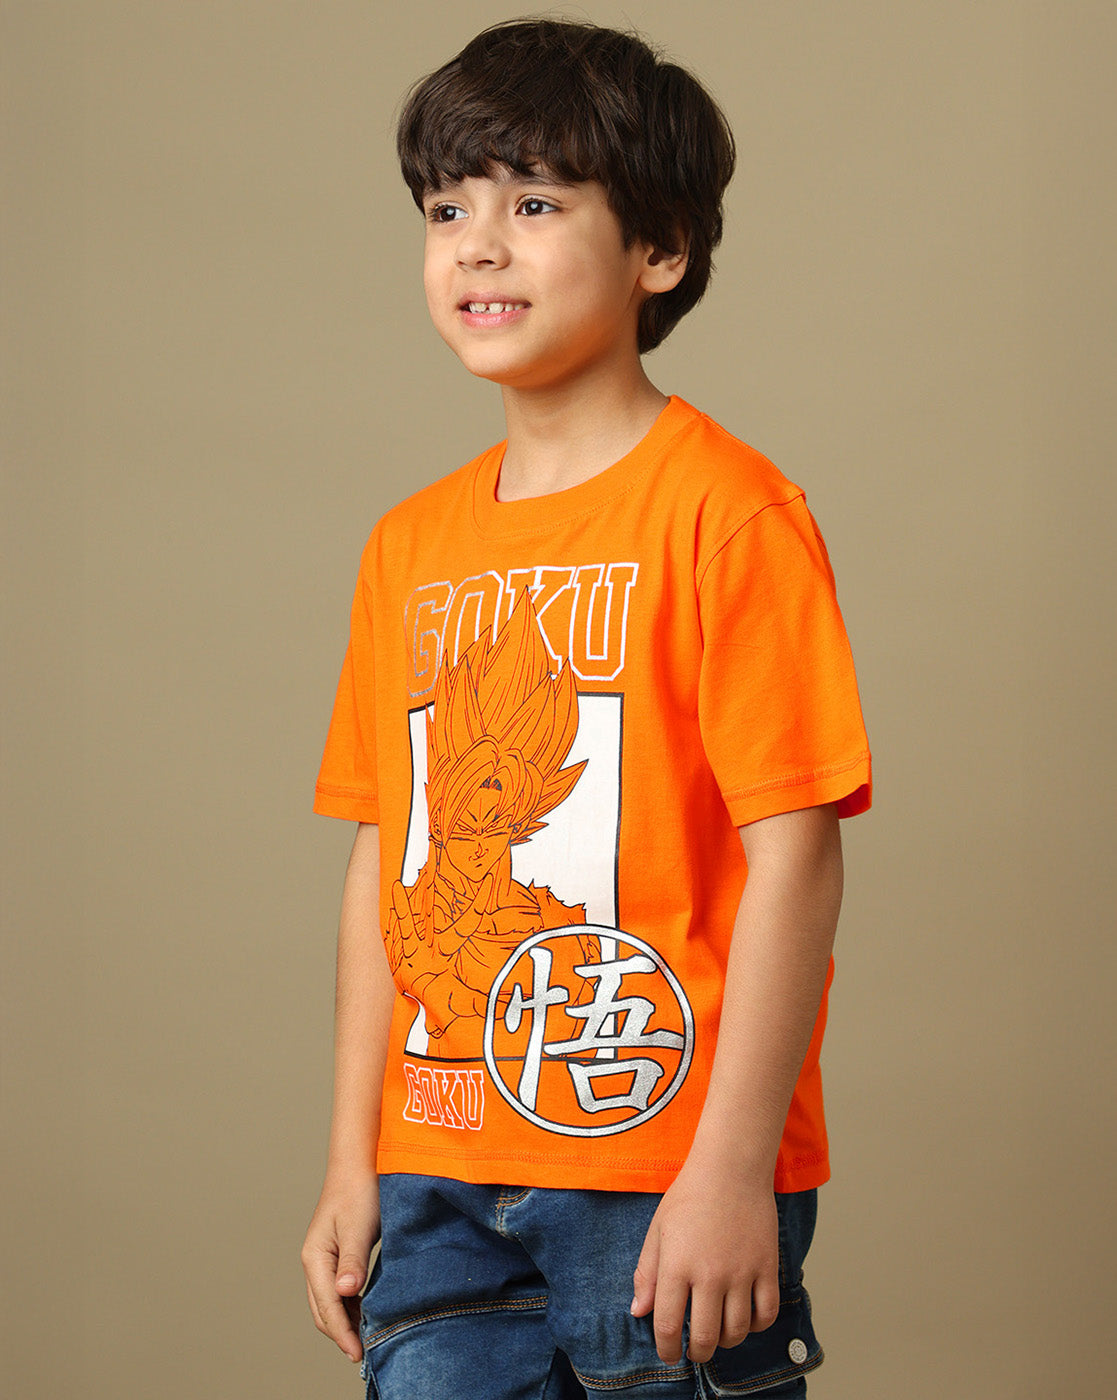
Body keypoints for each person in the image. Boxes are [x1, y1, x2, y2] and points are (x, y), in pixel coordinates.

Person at [302, 18, 871, 1400]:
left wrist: (731, 1169)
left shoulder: (728, 514)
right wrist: (352, 1160)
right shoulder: (407, 547)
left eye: (537, 204)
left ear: (657, 251)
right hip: (436, 1174)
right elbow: (387, 858)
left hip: (657, 1158)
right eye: (448, 210)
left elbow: (795, 854)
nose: (477, 248)